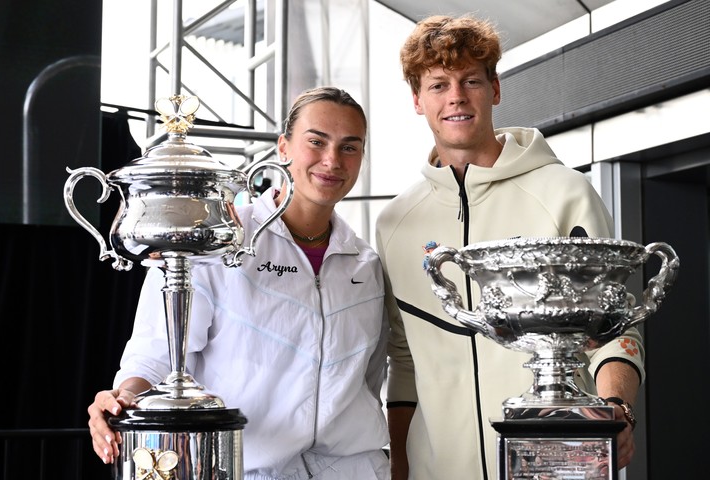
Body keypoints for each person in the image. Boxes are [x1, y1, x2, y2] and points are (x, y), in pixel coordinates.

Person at [374, 14, 644, 480]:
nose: (456, 96)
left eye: (471, 80)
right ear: (417, 100)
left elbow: (617, 328)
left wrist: (616, 405)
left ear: (495, 90)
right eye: (438, 85)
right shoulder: (395, 222)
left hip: (557, 461)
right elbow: (403, 359)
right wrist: (401, 464)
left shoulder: (565, 192)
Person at [88, 86, 391, 480]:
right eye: (316, 142)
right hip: (246, 468)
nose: (332, 160)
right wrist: (125, 396)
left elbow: (369, 381)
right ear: (284, 148)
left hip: (355, 471)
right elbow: (157, 350)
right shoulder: (217, 239)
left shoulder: (366, 264)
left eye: (350, 147)